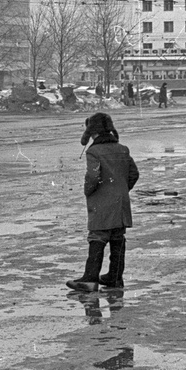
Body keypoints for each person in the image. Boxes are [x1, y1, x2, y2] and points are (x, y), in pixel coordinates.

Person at [67, 113, 139, 292]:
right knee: (117, 238)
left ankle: (90, 279)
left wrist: (89, 191)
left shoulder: (94, 151)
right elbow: (134, 174)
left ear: (92, 131)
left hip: (101, 203)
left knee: (97, 237)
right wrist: (121, 190)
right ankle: (115, 278)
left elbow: (93, 176)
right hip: (121, 203)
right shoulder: (123, 149)